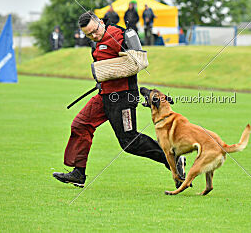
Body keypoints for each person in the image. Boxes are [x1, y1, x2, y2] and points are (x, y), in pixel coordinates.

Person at [52, 11, 186, 188]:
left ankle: (173, 160)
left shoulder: (120, 34)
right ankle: (78, 173)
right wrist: (101, 80)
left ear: (100, 22)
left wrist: (108, 72)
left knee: (129, 142)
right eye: (89, 35)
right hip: (104, 96)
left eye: (95, 31)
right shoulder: (96, 43)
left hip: (123, 96)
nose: (94, 36)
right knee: (80, 124)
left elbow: (138, 62)